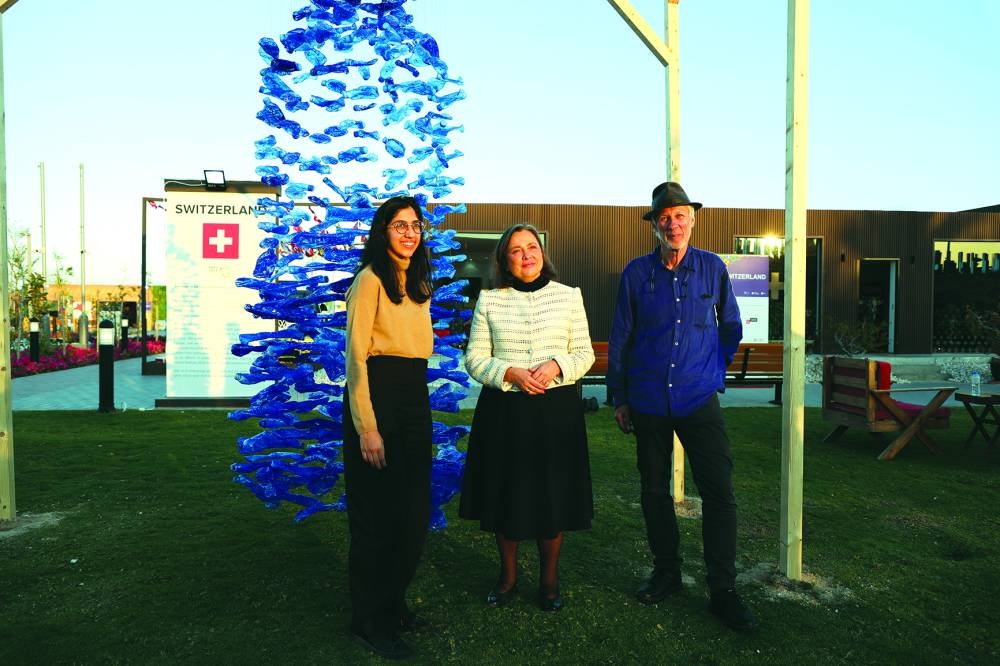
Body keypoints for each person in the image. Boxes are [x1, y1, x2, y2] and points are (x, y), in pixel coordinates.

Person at [606, 182, 758, 632]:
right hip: (649, 400)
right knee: (654, 491)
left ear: (693, 219)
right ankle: (667, 572)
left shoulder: (712, 268)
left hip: (698, 398)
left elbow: (730, 326)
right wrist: (620, 396)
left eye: (681, 215)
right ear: (654, 224)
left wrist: (712, 369)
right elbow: (621, 338)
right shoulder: (636, 274)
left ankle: (722, 590)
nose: (673, 223)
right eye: (665, 217)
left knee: (719, 492)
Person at [460, 223, 595, 612]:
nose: (526, 255)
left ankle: (550, 579)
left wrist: (556, 365)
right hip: (505, 412)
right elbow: (475, 358)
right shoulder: (489, 300)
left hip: (555, 414)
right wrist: (509, 373)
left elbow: (584, 354)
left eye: (532, 247)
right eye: (516, 250)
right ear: (504, 259)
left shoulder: (569, 297)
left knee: (551, 496)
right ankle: (508, 577)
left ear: (542, 253)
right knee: (507, 495)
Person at [343, 195, 434, 659]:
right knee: (376, 518)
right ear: (383, 231)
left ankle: (394, 604)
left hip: (414, 397)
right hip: (377, 396)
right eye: (399, 225)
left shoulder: (417, 282)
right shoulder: (369, 280)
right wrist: (367, 427)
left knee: (412, 512)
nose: (409, 233)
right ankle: (368, 620)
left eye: (415, 225)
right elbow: (356, 358)